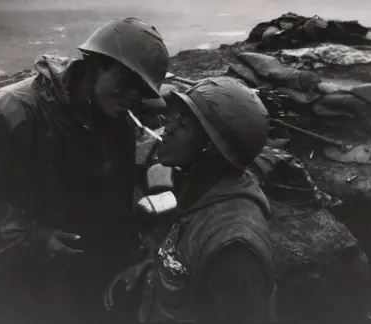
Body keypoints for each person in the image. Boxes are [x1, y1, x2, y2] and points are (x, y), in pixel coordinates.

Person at [0, 17, 169, 324]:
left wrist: (130, 260)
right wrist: (35, 237)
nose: (132, 98)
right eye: (125, 83)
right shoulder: (13, 111)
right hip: (16, 282)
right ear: (96, 64)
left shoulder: (118, 122)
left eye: (141, 91)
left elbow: (116, 206)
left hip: (83, 280)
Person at [104, 77, 277, 324]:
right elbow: (185, 256)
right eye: (174, 118)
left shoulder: (235, 251)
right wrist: (149, 272)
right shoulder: (198, 192)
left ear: (210, 149)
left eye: (182, 124)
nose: (168, 128)